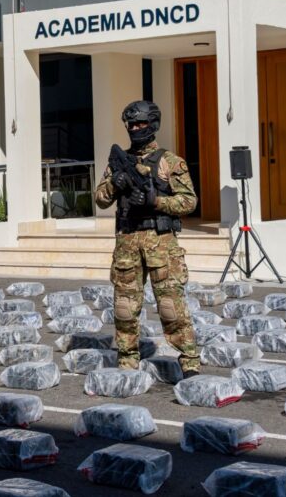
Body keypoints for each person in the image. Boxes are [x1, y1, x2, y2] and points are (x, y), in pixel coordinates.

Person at [94, 100, 201, 379]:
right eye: (131, 124)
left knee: (171, 307)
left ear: (153, 125)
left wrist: (156, 201)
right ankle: (127, 361)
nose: (135, 128)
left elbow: (189, 201)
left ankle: (189, 361)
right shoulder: (120, 162)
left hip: (161, 242)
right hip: (128, 241)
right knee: (124, 308)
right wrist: (114, 184)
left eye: (140, 123)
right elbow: (100, 199)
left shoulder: (170, 161)